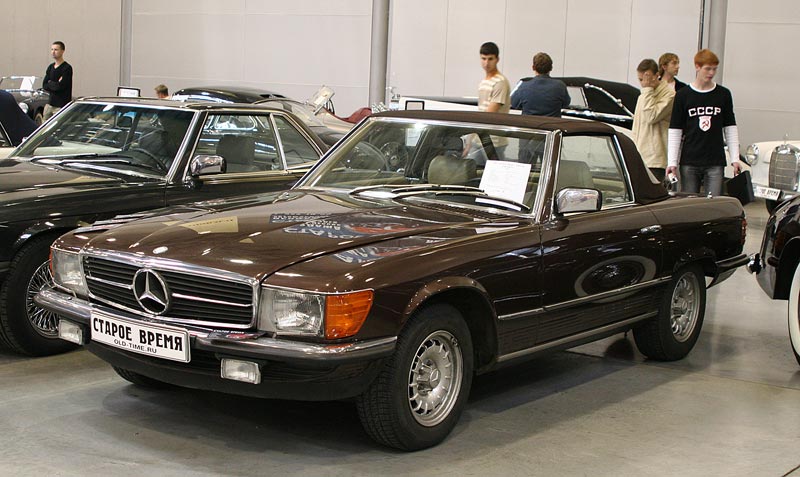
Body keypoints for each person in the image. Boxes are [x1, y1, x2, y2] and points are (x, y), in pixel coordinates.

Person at [666, 49, 741, 196]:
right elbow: (675, 130)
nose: (711, 73)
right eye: (707, 69)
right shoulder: (683, 95)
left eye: (714, 69)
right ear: (697, 67)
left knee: (713, 202)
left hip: (715, 160)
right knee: (689, 201)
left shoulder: (723, 94)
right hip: (690, 159)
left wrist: (735, 158)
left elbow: (730, 127)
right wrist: (672, 162)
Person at [632, 58, 675, 182]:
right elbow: (638, 124)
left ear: (657, 75)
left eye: (647, 78)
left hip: (655, 159)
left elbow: (651, 117)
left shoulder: (669, 95)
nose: (644, 82)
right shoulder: (644, 95)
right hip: (639, 154)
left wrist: (647, 90)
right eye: (641, 79)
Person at [510, 52, 570, 117]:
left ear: (533, 67)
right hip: (552, 126)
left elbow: (514, 104)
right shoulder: (560, 86)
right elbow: (566, 103)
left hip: (529, 125)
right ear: (551, 68)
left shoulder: (524, 86)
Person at [42, 41, 73, 120]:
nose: (53, 52)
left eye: (56, 50)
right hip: (50, 104)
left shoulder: (67, 68)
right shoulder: (50, 67)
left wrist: (51, 83)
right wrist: (55, 83)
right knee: (44, 126)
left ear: (62, 51)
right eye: (52, 49)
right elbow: (44, 85)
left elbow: (61, 86)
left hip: (61, 106)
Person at [477, 42, 510, 113]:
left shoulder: (500, 82)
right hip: (482, 122)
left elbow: (490, 114)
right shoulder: (484, 82)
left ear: (497, 59)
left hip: (493, 123)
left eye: (490, 59)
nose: (486, 63)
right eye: (483, 58)